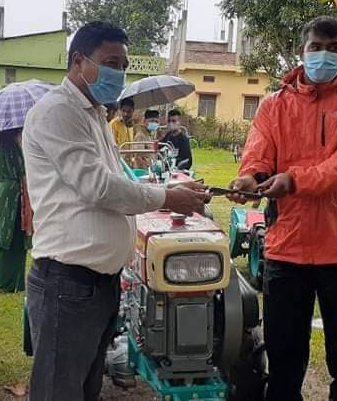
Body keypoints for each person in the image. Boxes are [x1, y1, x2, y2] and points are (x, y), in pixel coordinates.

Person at [22, 21, 209, 401]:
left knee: (85, 388)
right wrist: (167, 198)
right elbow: (99, 186)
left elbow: (120, 177)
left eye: (124, 65)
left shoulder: (94, 114)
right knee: (60, 391)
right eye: (110, 62)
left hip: (96, 285)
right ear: (79, 61)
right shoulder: (58, 112)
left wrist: (169, 187)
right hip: (67, 283)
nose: (119, 73)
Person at [228, 16, 337, 400]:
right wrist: (250, 177)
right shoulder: (273, 105)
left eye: (334, 48)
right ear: (302, 52)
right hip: (286, 251)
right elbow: (258, 152)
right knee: (283, 362)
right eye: (316, 47)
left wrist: (294, 180)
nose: (324, 55)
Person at [0, 128, 31, 293]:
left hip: (1, 192)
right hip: (14, 196)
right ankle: (10, 283)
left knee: (5, 239)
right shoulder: (11, 147)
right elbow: (22, 170)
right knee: (14, 238)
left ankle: (9, 282)